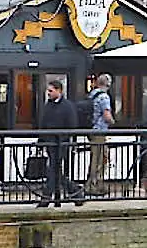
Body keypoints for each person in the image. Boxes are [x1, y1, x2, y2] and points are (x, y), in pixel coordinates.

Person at [37, 79, 81, 207]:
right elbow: (43, 123)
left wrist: (64, 138)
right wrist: (41, 140)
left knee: (52, 170)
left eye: (51, 90)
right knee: (56, 172)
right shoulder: (48, 105)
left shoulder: (67, 106)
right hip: (50, 143)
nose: (48, 93)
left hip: (61, 144)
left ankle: (46, 198)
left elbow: (72, 125)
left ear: (59, 91)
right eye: (48, 90)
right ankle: (76, 192)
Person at [84, 74, 115, 195]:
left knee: (96, 158)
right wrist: (113, 122)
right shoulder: (104, 97)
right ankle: (94, 186)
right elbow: (107, 116)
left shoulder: (92, 95)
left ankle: (93, 184)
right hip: (100, 132)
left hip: (91, 130)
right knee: (99, 159)